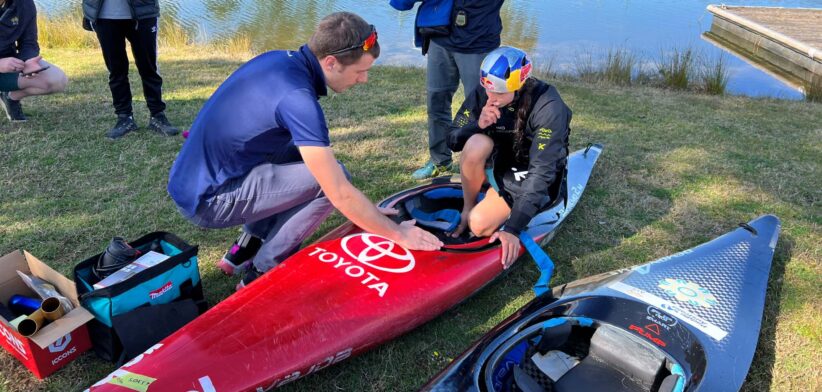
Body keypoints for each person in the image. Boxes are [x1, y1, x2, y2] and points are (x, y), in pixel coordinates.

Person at [168, 12, 443, 290]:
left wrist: (368, 210)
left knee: (309, 159)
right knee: (328, 184)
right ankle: (262, 272)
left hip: (191, 178)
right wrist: (397, 234)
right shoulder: (298, 99)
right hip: (208, 199)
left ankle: (246, 247)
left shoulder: (277, 60)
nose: (364, 80)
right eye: (360, 71)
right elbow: (338, 191)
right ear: (331, 62)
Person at [447, 46, 571, 268]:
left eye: (500, 93)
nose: (491, 98)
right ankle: (468, 206)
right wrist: (478, 124)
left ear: (519, 85)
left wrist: (513, 229)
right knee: (476, 142)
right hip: (500, 161)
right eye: (488, 90)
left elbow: (542, 171)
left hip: (528, 168)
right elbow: (453, 140)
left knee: (479, 225)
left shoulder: (549, 107)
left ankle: (496, 199)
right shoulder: (484, 91)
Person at [389, 0, 505, 179]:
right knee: (436, 103)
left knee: (483, 109)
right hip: (440, 39)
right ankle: (440, 161)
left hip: (478, 43)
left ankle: (483, 166)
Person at [82, 0, 178, 139]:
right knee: (116, 71)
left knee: (149, 68)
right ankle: (124, 118)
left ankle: (158, 116)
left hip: (143, 13)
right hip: (104, 15)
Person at [0, 0, 68, 123]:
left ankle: (10, 97)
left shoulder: (24, 3)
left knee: (57, 80)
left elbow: (28, 42)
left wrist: (29, 60)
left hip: (9, 65)